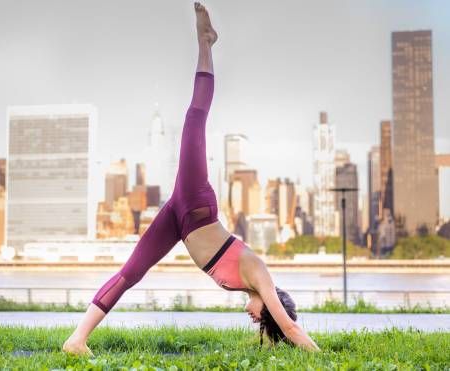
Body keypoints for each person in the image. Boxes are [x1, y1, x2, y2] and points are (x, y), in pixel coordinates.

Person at [63, 2, 319, 355]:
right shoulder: (260, 276)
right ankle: (206, 42)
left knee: (130, 273)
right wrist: (321, 357)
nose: (253, 318)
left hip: (178, 221)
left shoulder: (249, 287)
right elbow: (289, 326)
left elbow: (280, 325)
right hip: (195, 204)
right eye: (261, 318)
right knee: (194, 119)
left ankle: (75, 340)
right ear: (270, 310)